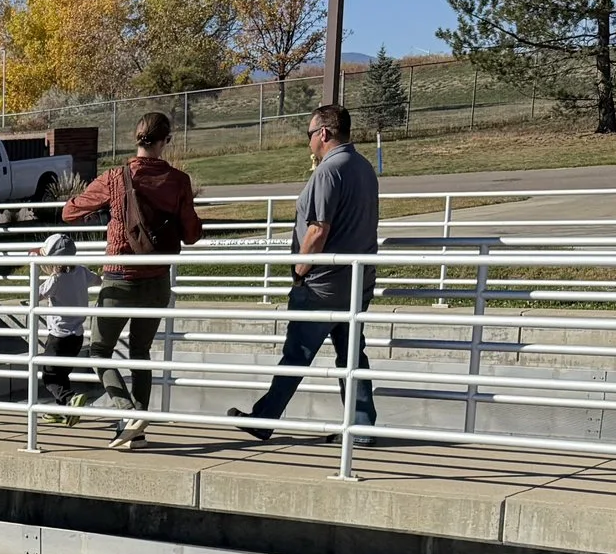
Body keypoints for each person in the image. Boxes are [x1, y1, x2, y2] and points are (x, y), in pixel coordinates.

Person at [230, 105, 380, 442]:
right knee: (352, 355)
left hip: (322, 285)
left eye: (310, 134)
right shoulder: (363, 167)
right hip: (356, 283)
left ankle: (264, 419)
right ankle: (360, 427)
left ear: (324, 133)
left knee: (297, 353)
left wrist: (300, 269)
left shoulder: (328, 172)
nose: (309, 141)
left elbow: (317, 229)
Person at [58, 111, 204, 447]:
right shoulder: (179, 181)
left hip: (119, 277)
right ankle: (136, 430)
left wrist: (105, 210)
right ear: (166, 141)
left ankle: (126, 411)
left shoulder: (114, 178)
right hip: (157, 280)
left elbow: (69, 212)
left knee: (99, 351)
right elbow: (192, 234)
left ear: (136, 139)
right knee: (140, 352)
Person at [30, 231, 89, 409]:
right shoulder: (82, 272)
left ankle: (69, 398)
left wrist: (33, 265)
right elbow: (98, 279)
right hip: (77, 336)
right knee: (62, 374)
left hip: (58, 338)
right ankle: (61, 410)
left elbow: (35, 294)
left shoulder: (55, 280)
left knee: (50, 376)